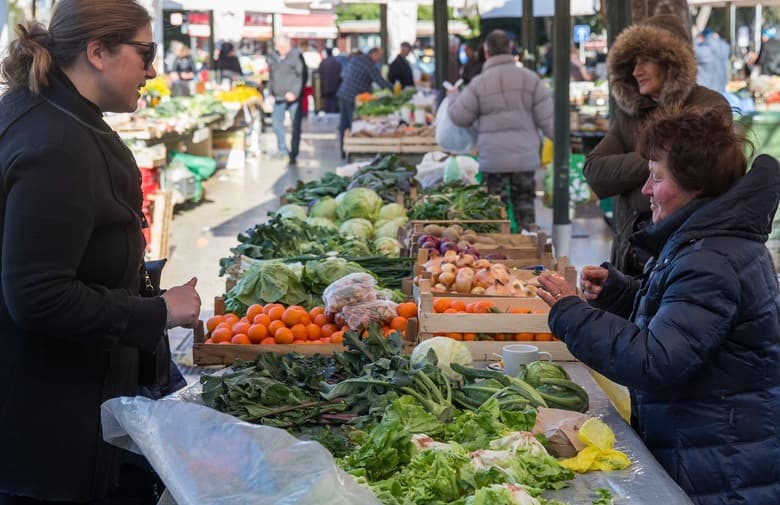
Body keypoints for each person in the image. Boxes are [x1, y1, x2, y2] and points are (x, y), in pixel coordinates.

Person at [0, 0, 202, 503]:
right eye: (145, 52)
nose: (153, 70)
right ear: (97, 52)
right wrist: (157, 311)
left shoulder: (43, 113)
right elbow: (38, 294)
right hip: (49, 438)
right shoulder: (58, 145)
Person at [536, 107, 780, 505]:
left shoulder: (712, 258)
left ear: (695, 185)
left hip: (722, 466)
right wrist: (621, 293)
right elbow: (692, 326)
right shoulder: (708, 242)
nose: (646, 190)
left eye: (658, 177)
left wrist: (571, 313)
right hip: (713, 447)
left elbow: (657, 361)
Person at [583, 14, 731, 276]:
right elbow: (595, 172)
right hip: (628, 255)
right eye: (632, 62)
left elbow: (693, 172)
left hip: (683, 254)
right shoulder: (630, 113)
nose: (636, 71)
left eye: (645, 60)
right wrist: (662, 160)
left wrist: (640, 165)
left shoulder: (709, 106)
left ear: (672, 61)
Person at [447, 29, 553, 231]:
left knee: (495, 215)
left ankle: (498, 259)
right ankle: (531, 253)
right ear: (510, 49)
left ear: (486, 53)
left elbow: (460, 117)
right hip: (525, 158)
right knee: (525, 212)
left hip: (493, 161)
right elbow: (548, 121)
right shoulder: (531, 80)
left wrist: (452, 96)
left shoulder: (479, 84)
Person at [336, 47, 391, 158]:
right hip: (353, 97)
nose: (379, 59)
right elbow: (380, 81)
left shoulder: (356, 59)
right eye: (379, 56)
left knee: (344, 123)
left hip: (343, 93)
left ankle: (344, 149)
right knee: (353, 123)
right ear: (373, 54)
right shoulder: (370, 65)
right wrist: (393, 89)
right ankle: (351, 149)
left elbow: (345, 74)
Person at [266, 36, 305, 163]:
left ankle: (294, 153)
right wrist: (270, 91)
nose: (279, 49)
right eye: (277, 46)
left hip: (293, 98)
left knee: (295, 126)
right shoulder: (273, 56)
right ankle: (282, 149)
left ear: (288, 46)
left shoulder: (296, 56)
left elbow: (302, 76)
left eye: (281, 47)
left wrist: (295, 92)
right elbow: (271, 75)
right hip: (278, 97)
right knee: (277, 124)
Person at [695, 28, 730, 93]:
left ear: (702, 37)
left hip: (706, 93)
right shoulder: (724, 50)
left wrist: (696, 39)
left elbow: (689, 48)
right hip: (721, 93)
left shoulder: (705, 51)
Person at [318, 47, 342, 113]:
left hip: (326, 86)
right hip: (335, 86)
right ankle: (332, 114)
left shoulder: (323, 62)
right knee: (333, 101)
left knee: (327, 102)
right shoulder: (337, 62)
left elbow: (320, 73)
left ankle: (328, 114)